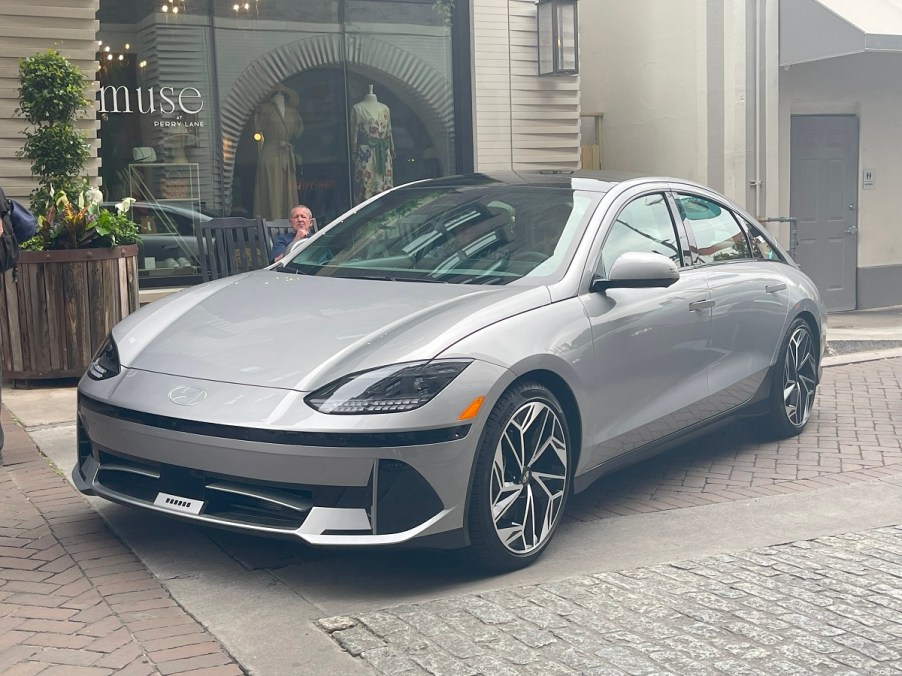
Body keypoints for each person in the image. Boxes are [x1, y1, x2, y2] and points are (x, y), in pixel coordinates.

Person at [253, 85, 304, 220]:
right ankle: (270, 221)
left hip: (287, 154)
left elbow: (298, 131)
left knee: (288, 190)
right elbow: (257, 129)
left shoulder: (293, 112)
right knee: (271, 187)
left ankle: (290, 221)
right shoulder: (263, 109)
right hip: (270, 153)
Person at [350, 84, 395, 205]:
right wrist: (354, 151)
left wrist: (391, 149)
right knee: (365, 186)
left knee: (384, 187)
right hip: (365, 153)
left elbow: (389, 131)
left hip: (383, 154)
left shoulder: (385, 109)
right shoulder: (357, 109)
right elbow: (354, 133)